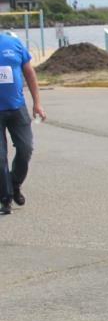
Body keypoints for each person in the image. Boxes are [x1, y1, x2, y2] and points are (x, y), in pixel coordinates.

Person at [1, 32, 46, 215]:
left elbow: (29, 73)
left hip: (17, 108)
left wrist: (37, 103)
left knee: (25, 148)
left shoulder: (13, 43)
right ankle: (5, 198)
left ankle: (14, 184)